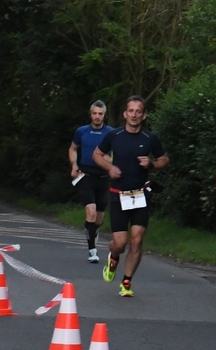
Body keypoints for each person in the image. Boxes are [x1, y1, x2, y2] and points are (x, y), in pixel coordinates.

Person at [93, 95, 169, 294]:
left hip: (140, 195)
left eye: (138, 111)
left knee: (137, 240)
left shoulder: (150, 138)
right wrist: (109, 168)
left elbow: (164, 160)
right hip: (118, 195)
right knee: (120, 243)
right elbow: (96, 155)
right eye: (131, 111)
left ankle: (126, 282)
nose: (134, 115)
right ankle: (114, 257)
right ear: (125, 114)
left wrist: (151, 164)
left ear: (143, 116)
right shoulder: (114, 136)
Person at [69, 100, 113, 263]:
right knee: (91, 211)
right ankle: (92, 250)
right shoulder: (81, 131)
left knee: (98, 219)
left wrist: (111, 162)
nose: (97, 117)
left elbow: (119, 152)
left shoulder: (111, 133)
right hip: (85, 175)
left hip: (103, 178)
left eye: (100, 114)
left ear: (104, 115)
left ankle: (93, 231)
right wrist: (74, 164)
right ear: (90, 114)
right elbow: (73, 148)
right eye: (94, 113)